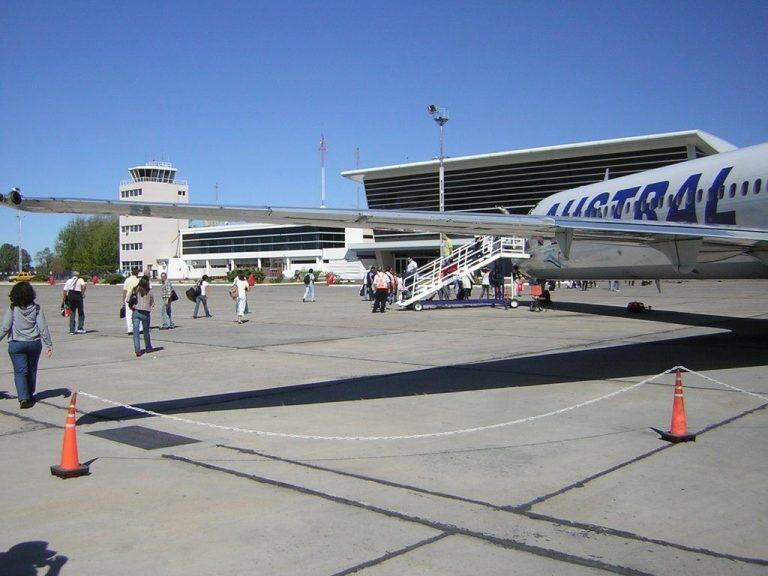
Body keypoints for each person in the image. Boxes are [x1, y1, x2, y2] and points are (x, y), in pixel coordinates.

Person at [0, 281, 53, 408]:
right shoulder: (37, 308)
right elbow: (43, 327)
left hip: (16, 343)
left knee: (20, 371)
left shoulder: (13, 308)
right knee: (32, 370)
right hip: (33, 343)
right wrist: (49, 344)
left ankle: (23, 398)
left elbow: (5, 327)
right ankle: (29, 393)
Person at [130, 276, 154, 357]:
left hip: (136, 312)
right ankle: (148, 347)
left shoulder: (135, 290)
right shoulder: (149, 292)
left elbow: (129, 300)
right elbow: (152, 303)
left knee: (136, 333)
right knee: (146, 332)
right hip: (145, 313)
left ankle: (137, 350)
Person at [122, 267, 142, 334]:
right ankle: (140, 328)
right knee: (139, 312)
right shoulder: (139, 280)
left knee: (129, 314)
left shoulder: (127, 280)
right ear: (137, 273)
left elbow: (125, 291)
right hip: (137, 298)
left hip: (128, 298)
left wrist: (123, 301)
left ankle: (130, 330)